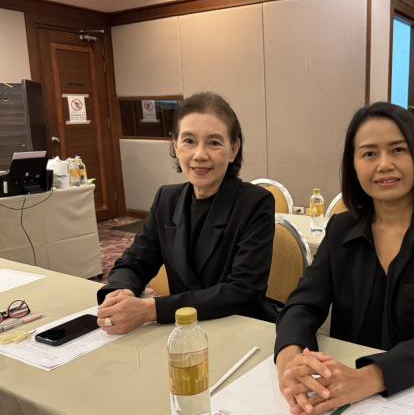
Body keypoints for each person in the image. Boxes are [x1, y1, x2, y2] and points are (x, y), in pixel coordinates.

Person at [274, 102, 414, 415]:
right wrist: (291, 360)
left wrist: (367, 378)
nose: (384, 164)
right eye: (369, 153)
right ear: (354, 165)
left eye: (398, 150)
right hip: (347, 389)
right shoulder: (341, 228)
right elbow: (303, 304)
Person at [96, 92, 278, 334]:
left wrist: (151, 310)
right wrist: (121, 292)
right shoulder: (166, 199)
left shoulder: (255, 203)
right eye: (189, 140)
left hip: (239, 327)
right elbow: (135, 262)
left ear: (233, 150)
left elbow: (242, 291)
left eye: (214, 143)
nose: (199, 154)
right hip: (184, 331)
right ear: (175, 146)